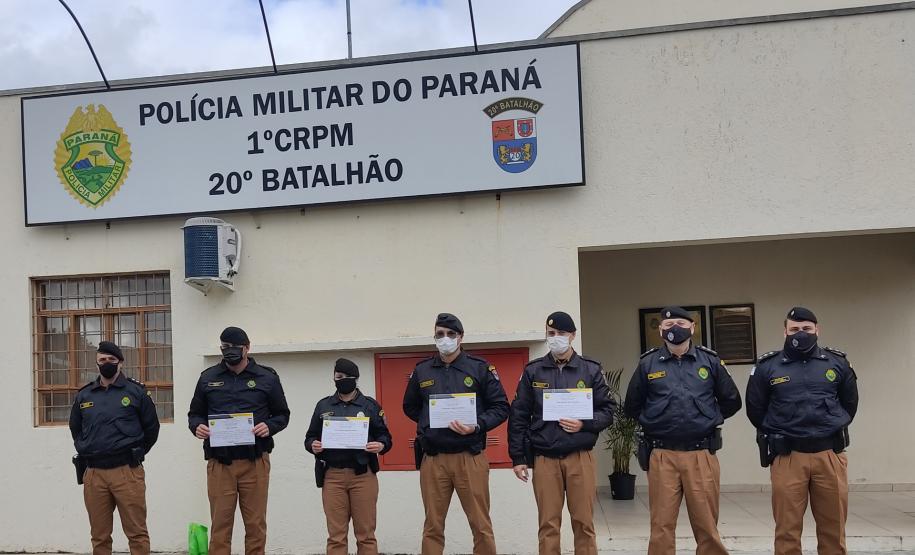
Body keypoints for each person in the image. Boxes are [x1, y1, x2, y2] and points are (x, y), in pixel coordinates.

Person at [624, 306, 742, 555]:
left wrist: (708, 417)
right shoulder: (648, 364)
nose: (674, 329)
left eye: (680, 323)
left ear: (692, 327)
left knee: (707, 526)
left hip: (701, 454)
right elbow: (632, 406)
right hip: (662, 455)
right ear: (660, 331)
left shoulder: (710, 361)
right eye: (668, 325)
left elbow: (732, 400)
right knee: (661, 527)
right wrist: (654, 420)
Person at [745, 306, 858, 555]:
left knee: (834, 529)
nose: (801, 333)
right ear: (784, 331)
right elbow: (756, 410)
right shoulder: (767, 367)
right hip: (788, 457)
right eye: (794, 329)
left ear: (817, 330)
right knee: (787, 531)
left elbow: (850, 405)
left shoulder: (836, 363)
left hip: (829, 454)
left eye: (806, 328)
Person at [508, 311, 615, 555]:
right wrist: (518, 458)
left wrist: (584, 424)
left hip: (580, 456)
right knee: (548, 525)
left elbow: (608, 411)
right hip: (544, 458)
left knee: (584, 523)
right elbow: (519, 416)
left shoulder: (590, 370)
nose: (556, 338)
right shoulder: (533, 371)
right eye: (551, 333)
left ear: (573, 336)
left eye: (561, 334)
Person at [402, 313, 509, 555]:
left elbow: (501, 407)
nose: (445, 339)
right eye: (440, 334)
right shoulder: (422, 370)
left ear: (461, 337)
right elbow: (410, 406)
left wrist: (477, 425)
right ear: (435, 337)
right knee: (432, 526)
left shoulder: (480, 368)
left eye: (451, 334)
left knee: (480, 525)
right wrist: (431, 422)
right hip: (434, 458)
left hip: (469, 457)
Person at [188, 326, 291, 555]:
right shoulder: (208, 378)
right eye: (225, 348)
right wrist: (198, 427)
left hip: (255, 463)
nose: (230, 352)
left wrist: (270, 426)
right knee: (220, 527)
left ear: (247, 348)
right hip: (220, 464)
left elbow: (283, 415)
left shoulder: (267, 377)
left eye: (235, 348)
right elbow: (194, 414)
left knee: (255, 526)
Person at [69, 341, 160, 555]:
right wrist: (86, 447)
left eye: (111, 360)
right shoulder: (85, 395)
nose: (106, 363)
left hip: (127, 471)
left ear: (120, 362)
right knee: (99, 536)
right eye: (102, 360)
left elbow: (151, 429)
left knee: (136, 534)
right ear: (96, 363)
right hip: (94, 474)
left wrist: (134, 454)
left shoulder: (136, 392)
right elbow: (75, 428)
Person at [305, 358, 393, 555]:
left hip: (363, 476)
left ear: (355, 379)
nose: (341, 380)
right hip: (333, 477)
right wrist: (313, 445)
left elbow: (386, 437)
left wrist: (380, 445)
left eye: (346, 377)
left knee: (366, 536)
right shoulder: (323, 406)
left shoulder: (370, 405)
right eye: (338, 376)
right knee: (336, 537)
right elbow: (309, 437)